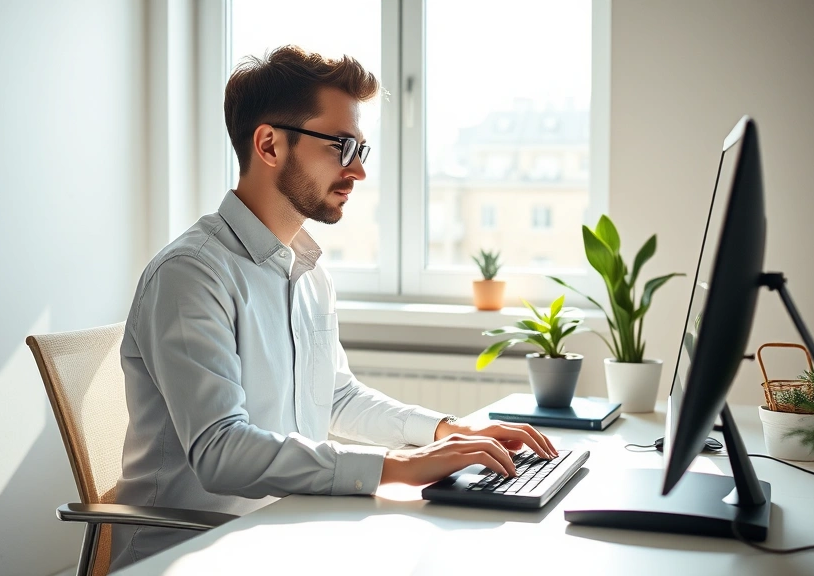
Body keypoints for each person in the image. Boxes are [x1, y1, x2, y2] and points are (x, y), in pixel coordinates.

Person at [110, 45, 558, 569]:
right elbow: (221, 452)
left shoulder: (309, 271)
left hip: (285, 533)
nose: (358, 172)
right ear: (270, 144)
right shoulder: (191, 274)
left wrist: (447, 431)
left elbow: (337, 397)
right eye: (341, 146)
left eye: (360, 150)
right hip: (193, 552)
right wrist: (397, 465)